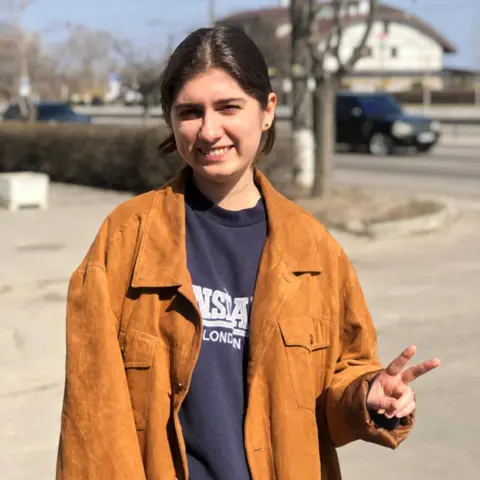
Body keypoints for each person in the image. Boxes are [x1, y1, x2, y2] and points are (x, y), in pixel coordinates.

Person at [56, 26, 440, 480]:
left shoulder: (316, 251)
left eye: (228, 107)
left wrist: (368, 393)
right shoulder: (125, 240)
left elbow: (332, 393)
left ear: (267, 111)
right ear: (170, 119)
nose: (209, 130)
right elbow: (91, 420)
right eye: (190, 112)